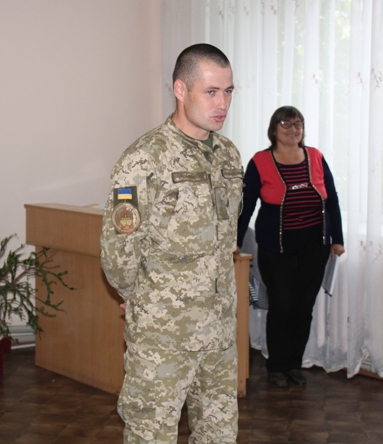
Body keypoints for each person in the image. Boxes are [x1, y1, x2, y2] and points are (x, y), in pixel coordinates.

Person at [100, 43, 243, 443]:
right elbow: (118, 250)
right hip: (164, 334)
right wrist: (141, 297)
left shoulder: (228, 156)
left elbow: (226, 238)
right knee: (152, 434)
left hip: (218, 329)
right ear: (181, 90)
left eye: (228, 91)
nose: (222, 104)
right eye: (211, 92)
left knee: (219, 434)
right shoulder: (144, 160)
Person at [237, 105, 345, 388]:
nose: (292, 130)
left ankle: (294, 364)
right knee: (282, 306)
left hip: (315, 246)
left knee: (303, 306)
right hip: (276, 248)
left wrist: (338, 239)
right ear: (274, 129)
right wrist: (234, 242)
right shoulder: (260, 161)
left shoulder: (316, 157)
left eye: (297, 124)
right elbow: (246, 206)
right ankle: (277, 365)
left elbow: (332, 199)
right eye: (286, 124)